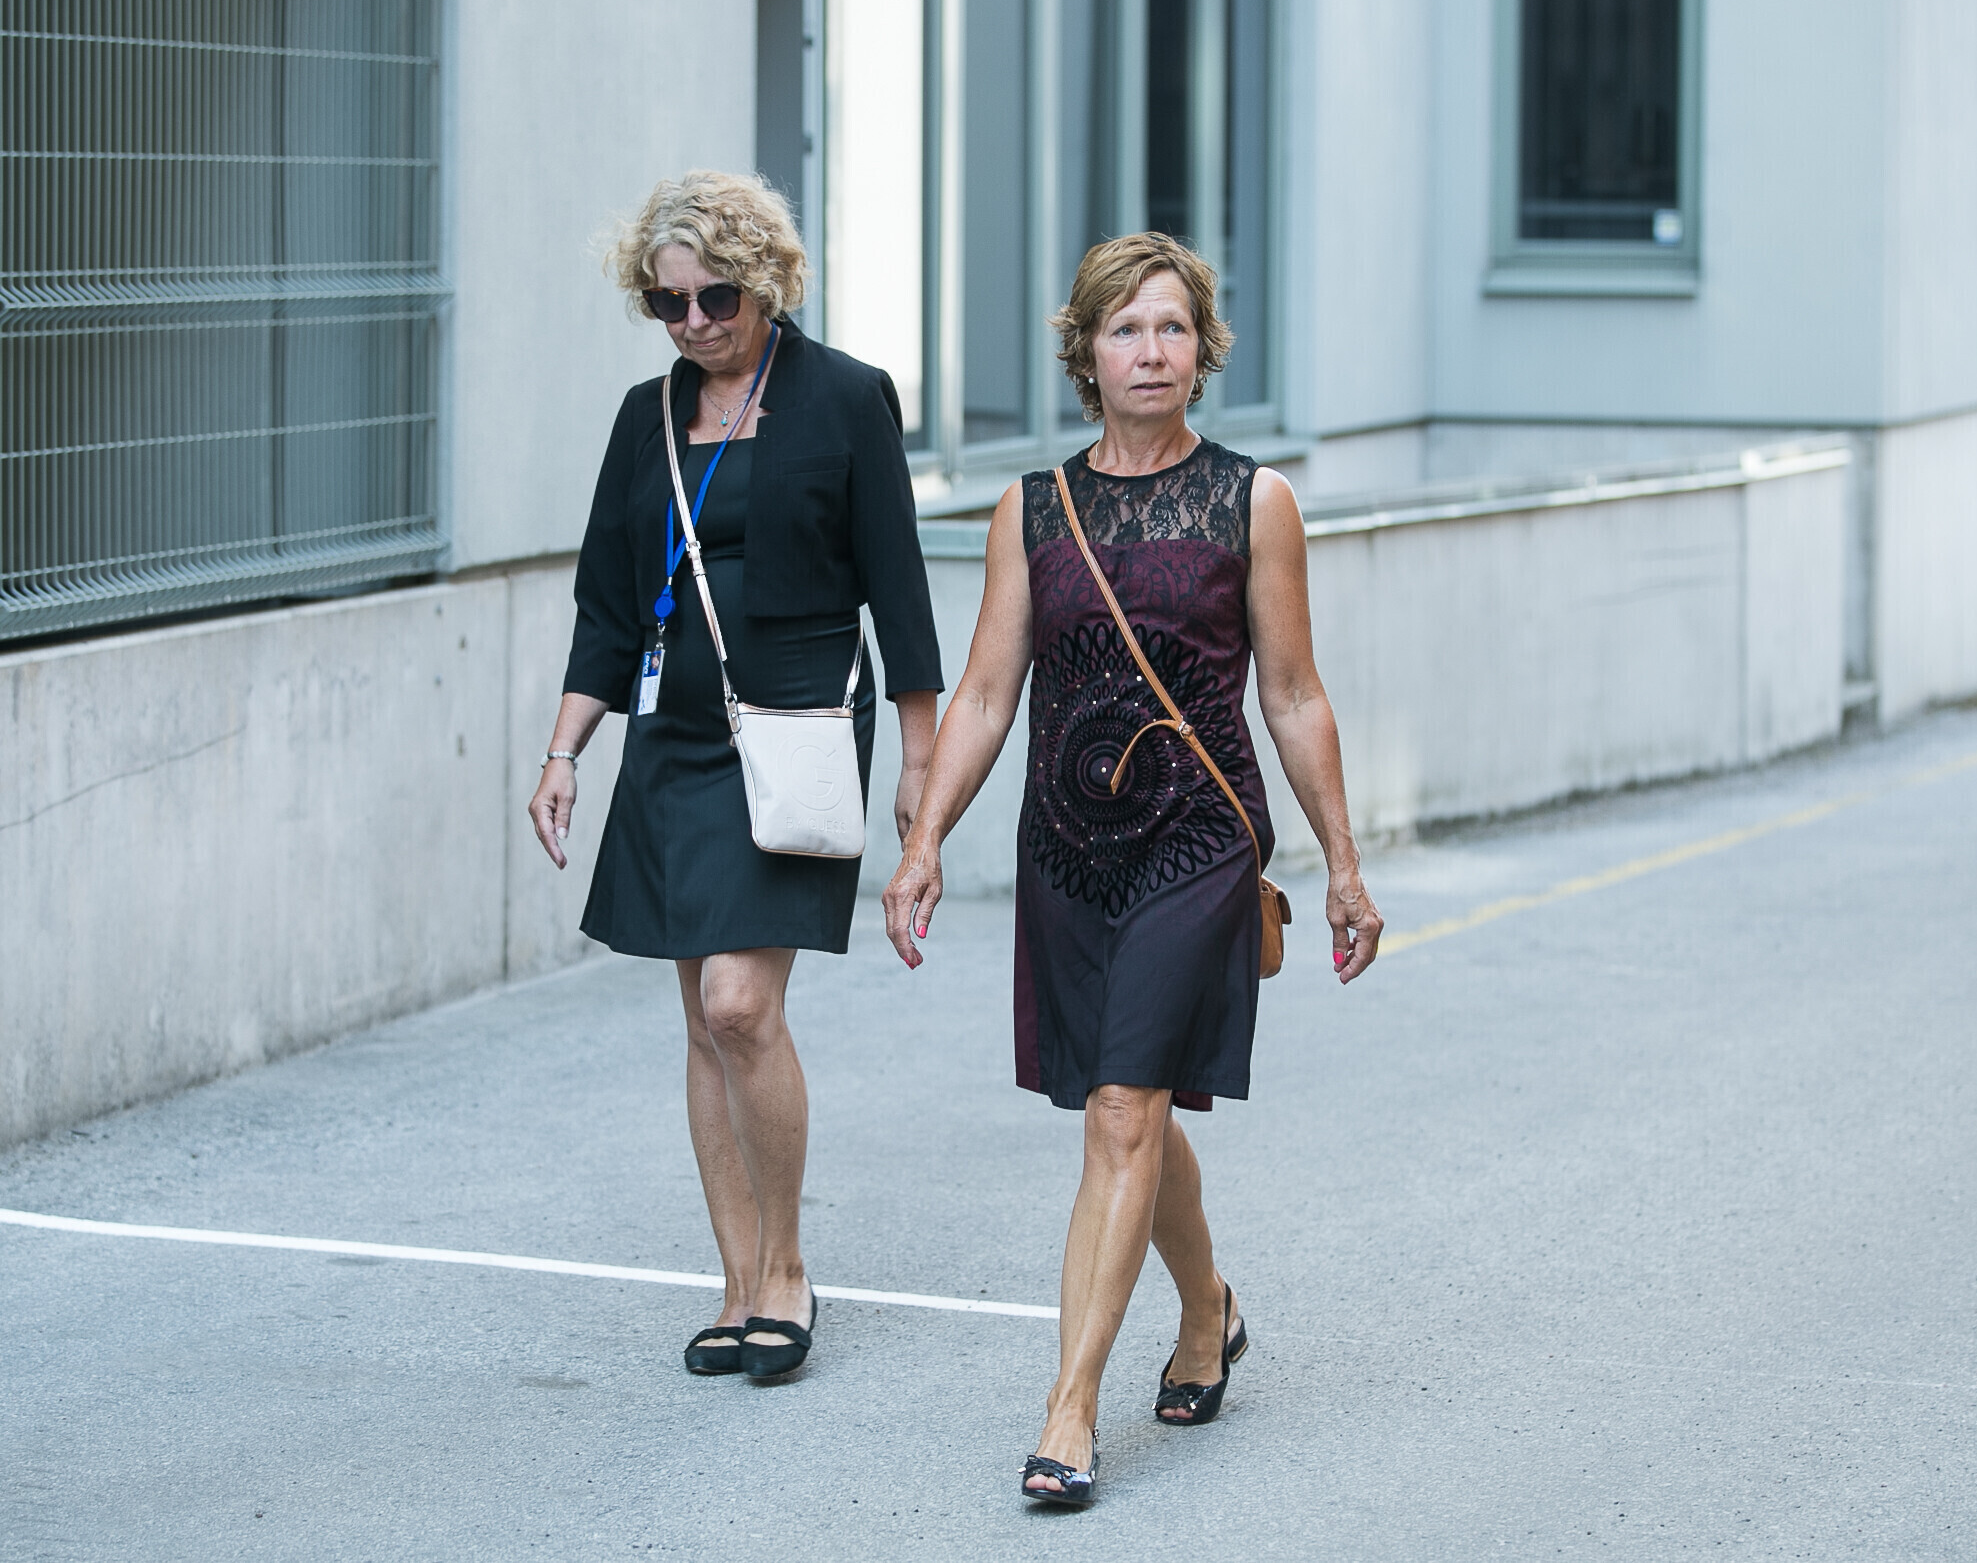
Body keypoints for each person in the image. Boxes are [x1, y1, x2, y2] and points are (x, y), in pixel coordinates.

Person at [879, 232, 1382, 1503]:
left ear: (1201, 350)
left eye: (1171, 327)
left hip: (1197, 842)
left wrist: (1342, 863)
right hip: (1066, 848)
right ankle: (1208, 1305)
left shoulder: (1254, 502)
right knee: (1128, 1102)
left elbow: (1294, 692)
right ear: (1086, 353)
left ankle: (1069, 1409)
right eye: (1124, 328)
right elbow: (985, 692)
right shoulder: (1033, 509)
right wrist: (927, 838)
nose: (1149, 350)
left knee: (1121, 1111)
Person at [529, 171, 942, 1381]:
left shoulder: (846, 399)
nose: (695, 322)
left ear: (765, 283)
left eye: (716, 297)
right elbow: (608, 604)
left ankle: (789, 1266)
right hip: (675, 738)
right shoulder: (645, 417)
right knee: (700, 1023)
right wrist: (564, 751)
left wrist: (921, 765)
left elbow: (900, 592)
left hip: (796, 731)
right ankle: (735, 1277)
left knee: (738, 1004)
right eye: (669, 304)